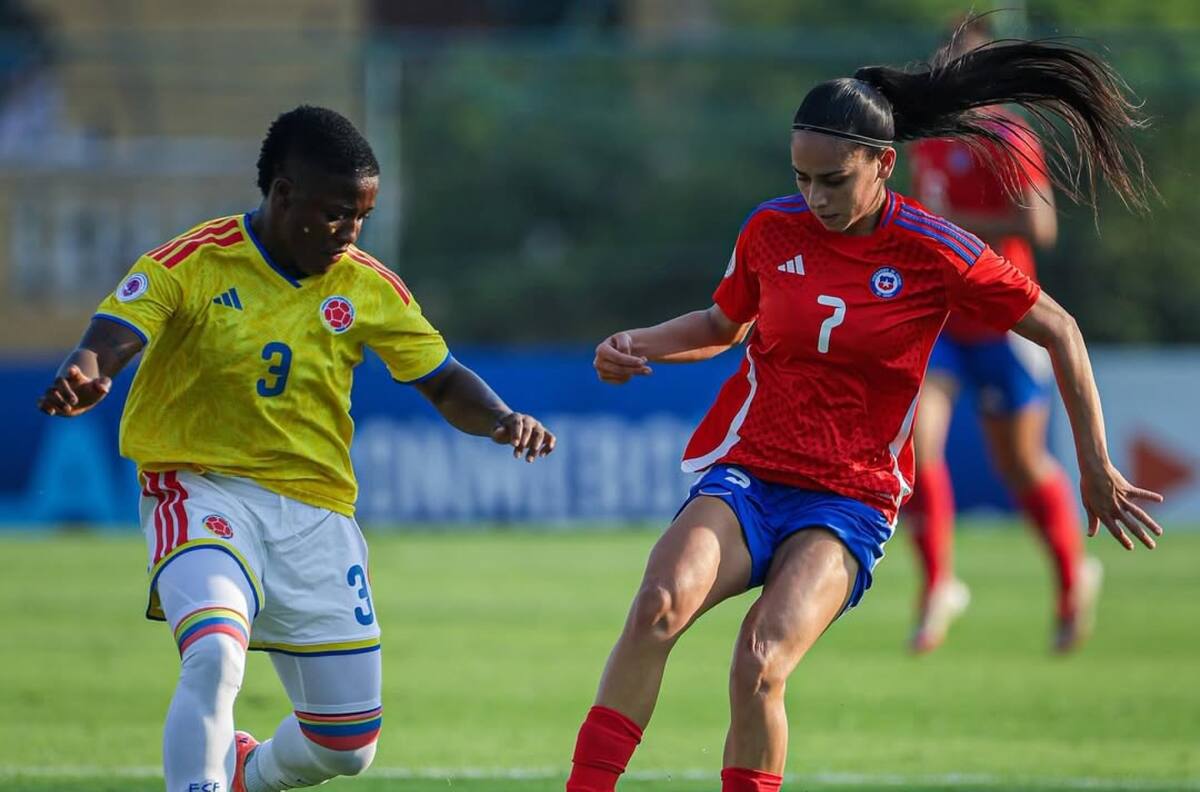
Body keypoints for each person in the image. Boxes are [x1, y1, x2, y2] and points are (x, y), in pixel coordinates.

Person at [567, 33, 1162, 792]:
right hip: (751, 472)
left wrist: (1093, 463)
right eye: (802, 178)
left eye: (834, 181)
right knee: (656, 604)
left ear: (883, 164)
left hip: (848, 499)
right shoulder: (769, 230)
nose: (815, 198)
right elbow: (724, 326)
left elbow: (1061, 329)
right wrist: (636, 343)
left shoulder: (933, 248)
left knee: (759, 662)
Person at [37, 105, 556, 792]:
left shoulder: (366, 286)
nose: (350, 232)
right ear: (283, 196)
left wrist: (498, 419)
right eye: (338, 212)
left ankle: (248, 772)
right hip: (200, 488)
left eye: (362, 215)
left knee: (344, 746)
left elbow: (444, 380)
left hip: (316, 515)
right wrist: (89, 368)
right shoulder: (195, 260)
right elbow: (119, 328)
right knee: (215, 657)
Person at [905, 17, 1099, 654]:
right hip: (941, 316)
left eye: (958, 60)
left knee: (1017, 464)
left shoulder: (1007, 134)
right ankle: (940, 585)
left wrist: (950, 223)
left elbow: (1038, 227)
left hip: (1002, 313)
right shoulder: (927, 140)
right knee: (912, 442)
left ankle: (1073, 582)